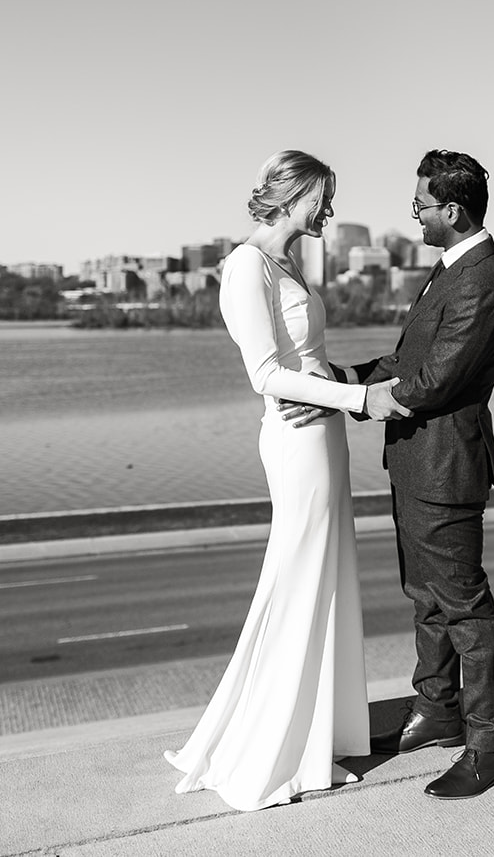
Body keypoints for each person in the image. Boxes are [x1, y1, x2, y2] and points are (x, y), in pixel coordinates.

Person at [163, 150, 411, 812]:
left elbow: (308, 361)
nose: (327, 208)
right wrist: (363, 403)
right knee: (296, 582)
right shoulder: (246, 265)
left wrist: (351, 385)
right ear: (294, 193)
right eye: (321, 196)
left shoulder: (283, 264)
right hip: (298, 441)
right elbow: (265, 374)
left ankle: (313, 738)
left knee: (324, 581)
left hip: (321, 432)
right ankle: (276, 753)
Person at [318, 149, 494, 799]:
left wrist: (357, 400)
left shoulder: (483, 281)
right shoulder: (450, 269)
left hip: (445, 464)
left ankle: (490, 742)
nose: (413, 213)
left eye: (421, 204)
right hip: (415, 460)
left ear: (452, 211)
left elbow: (435, 381)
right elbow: (409, 356)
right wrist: (346, 378)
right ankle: (436, 709)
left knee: (464, 603)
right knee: (426, 596)